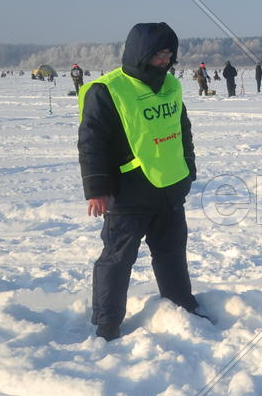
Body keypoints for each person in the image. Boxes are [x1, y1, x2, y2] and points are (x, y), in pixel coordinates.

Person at [77, 22, 204, 341]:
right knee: (117, 260)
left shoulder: (171, 84)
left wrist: (188, 168)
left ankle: (181, 307)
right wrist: (97, 188)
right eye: (158, 54)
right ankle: (107, 323)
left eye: (169, 54)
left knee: (173, 252)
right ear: (140, 53)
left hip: (170, 189)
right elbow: (92, 141)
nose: (165, 60)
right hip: (129, 191)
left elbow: (182, 129)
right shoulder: (107, 90)